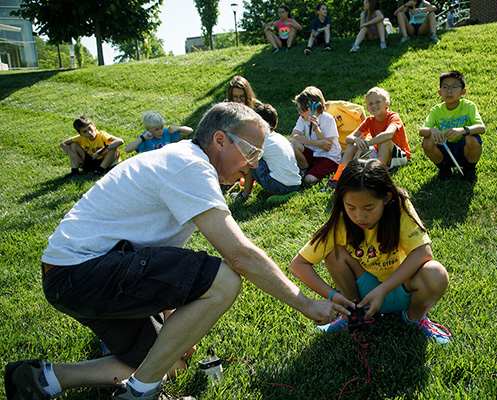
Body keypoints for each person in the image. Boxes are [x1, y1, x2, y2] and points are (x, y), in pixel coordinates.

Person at [5, 102, 347, 400]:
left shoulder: (183, 163)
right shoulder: (191, 166)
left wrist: (176, 325)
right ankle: (140, 393)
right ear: (219, 139)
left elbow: (158, 252)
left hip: (74, 276)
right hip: (82, 272)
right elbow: (239, 254)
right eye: (251, 152)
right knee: (225, 278)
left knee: (170, 361)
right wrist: (304, 303)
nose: (253, 165)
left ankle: (43, 378)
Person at [290, 159, 451, 344]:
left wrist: (383, 290)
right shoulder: (341, 222)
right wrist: (334, 296)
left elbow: (423, 252)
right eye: (351, 207)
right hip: (364, 295)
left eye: (369, 208)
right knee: (334, 254)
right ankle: (353, 314)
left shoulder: (400, 206)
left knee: (436, 273)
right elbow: (298, 265)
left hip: (402, 288)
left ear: (387, 197)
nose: (360, 216)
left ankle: (415, 318)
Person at [322, 87, 410, 190]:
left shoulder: (392, 116)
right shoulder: (370, 120)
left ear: (387, 104)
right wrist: (357, 140)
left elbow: (388, 135)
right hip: (379, 153)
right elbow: (348, 138)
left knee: (383, 139)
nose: (374, 105)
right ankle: (338, 178)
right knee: (352, 144)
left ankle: (379, 176)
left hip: (398, 157)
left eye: (378, 102)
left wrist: (367, 143)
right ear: (367, 108)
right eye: (370, 104)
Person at [419, 70, 485, 182]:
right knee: (427, 141)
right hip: (445, 148)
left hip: (465, 149)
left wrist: (463, 130)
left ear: (463, 91)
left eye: (454, 87)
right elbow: (422, 131)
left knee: (472, 138)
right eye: (445, 87)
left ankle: (469, 169)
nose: (449, 91)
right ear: (440, 92)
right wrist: (432, 130)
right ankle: (444, 168)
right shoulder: (436, 110)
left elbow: (481, 128)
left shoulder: (469, 106)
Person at [231, 103, 302, 202]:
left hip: (279, 186)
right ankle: (289, 192)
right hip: (296, 184)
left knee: (251, 159)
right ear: (276, 124)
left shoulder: (261, 140)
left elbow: (250, 161)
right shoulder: (281, 138)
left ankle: (245, 194)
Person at [289, 86, 341, 185]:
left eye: (301, 110)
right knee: (291, 143)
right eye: (298, 110)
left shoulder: (327, 119)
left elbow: (327, 146)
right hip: (313, 153)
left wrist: (316, 129)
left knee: (309, 180)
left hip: (328, 157)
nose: (299, 113)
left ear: (311, 108)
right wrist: (317, 143)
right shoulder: (303, 118)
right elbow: (294, 136)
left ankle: (310, 172)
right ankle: (305, 169)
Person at [124, 111, 193, 154]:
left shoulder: (166, 132)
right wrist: (142, 139)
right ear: (148, 129)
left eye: (161, 128)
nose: (160, 132)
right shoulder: (145, 137)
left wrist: (177, 128)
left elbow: (190, 131)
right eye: (157, 129)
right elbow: (127, 149)